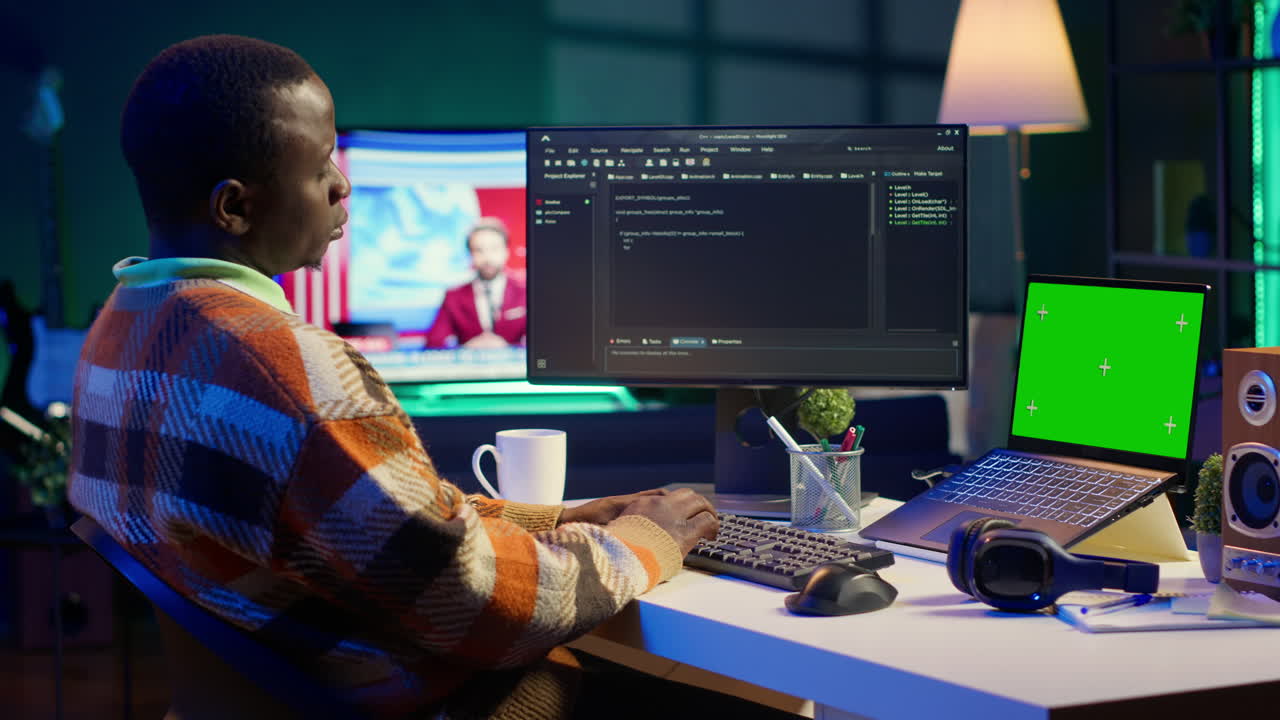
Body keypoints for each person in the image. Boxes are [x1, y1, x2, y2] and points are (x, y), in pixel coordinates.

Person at [68, 35, 740, 719]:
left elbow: (388, 524)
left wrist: (565, 516)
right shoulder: (290, 372)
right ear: (234, 208)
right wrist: (644, 538)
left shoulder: (117, 333)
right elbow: (486, 608)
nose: (342, 184)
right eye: (321, 162)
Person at [425, 218, 526, 349]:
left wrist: (508, 348)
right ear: (470, 255)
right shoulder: (454, 297)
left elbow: (546, 341)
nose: (487, 257)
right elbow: (434, 344)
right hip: (469, 367)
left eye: (494, 248)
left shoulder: (526, 292)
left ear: (506, 251)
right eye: (479, 250)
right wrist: (467, 349)